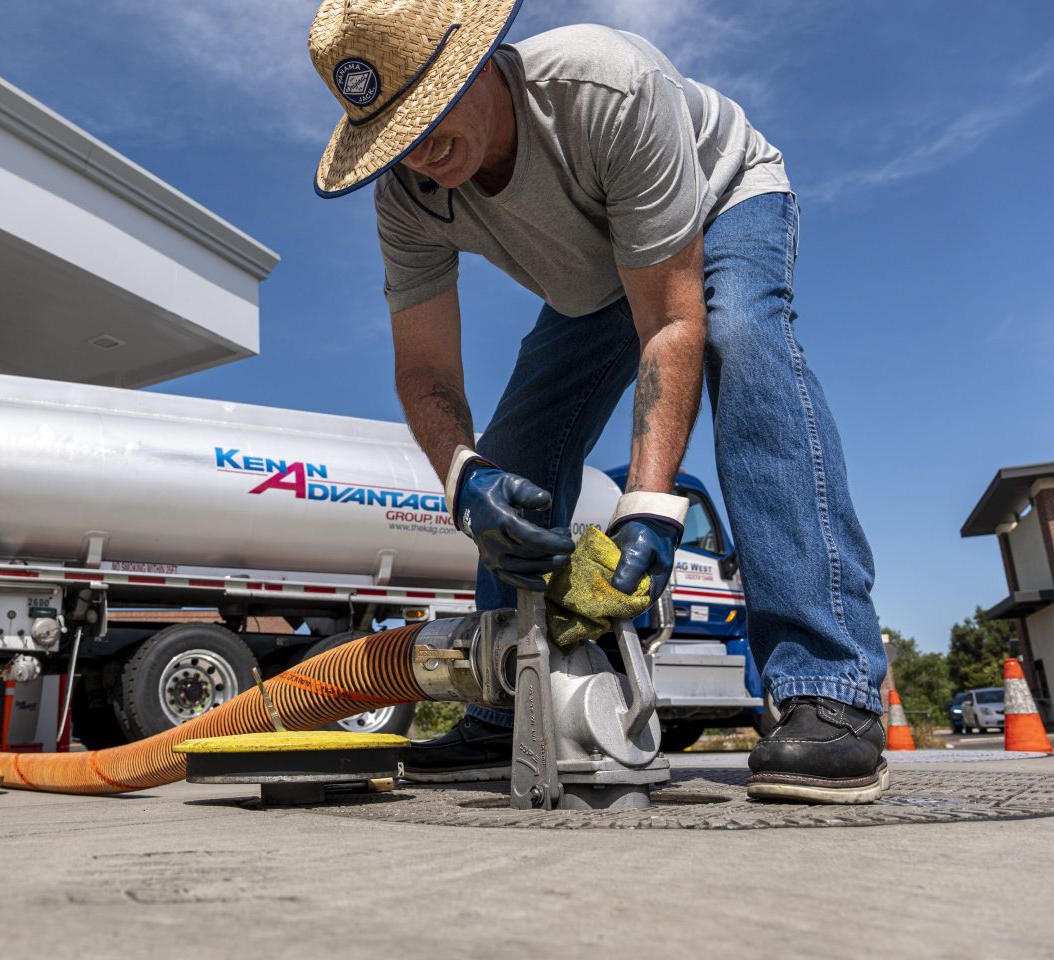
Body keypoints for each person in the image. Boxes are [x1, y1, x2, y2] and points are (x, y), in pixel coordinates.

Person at [308, 0, 889, 803]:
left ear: (477, 63)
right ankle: (514, 701)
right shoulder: (408, 195)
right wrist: (465, 481)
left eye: (428, 116)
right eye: (395, 138)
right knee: (511, 450)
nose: (419, 153)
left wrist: (651, 504)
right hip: (596, 280)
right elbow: (427, 374)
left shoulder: (603, 87)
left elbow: (673, 320)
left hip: (720, 204)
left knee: (743, 339)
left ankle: (833, 690)